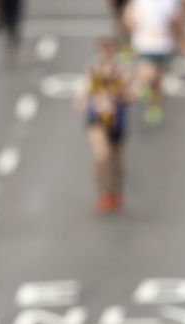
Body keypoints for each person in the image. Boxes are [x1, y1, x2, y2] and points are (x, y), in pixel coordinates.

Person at [78, 37, 132, 213]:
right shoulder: (92, 69)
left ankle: (115, 190)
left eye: (109, 50)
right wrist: (83, 100)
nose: (106, 54)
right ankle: (102, 192)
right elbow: (84, 90)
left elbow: (131, 93)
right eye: (103, 50)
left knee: (116, 159)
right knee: (102, 155)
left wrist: (120, 94)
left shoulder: (122, 71)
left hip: (116, 119)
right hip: (97, 119)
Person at [126, 0, 183, 125]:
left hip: (164, 45)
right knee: (147, 74)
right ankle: (143, 91)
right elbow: (128, 18)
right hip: (144, 44)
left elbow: (178, 19)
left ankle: (154, 106)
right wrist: (133, 25)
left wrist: (175, 33)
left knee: (158, 80)